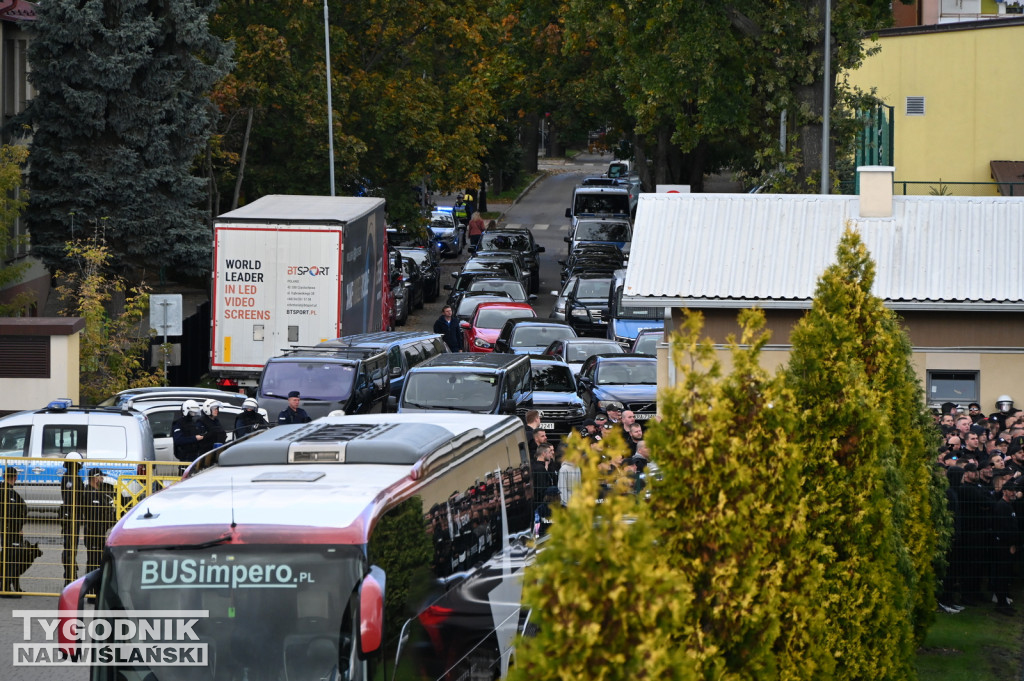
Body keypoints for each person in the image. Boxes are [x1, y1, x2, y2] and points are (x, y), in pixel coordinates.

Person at [1, 466, 30, 596]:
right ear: (16, 477)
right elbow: (12, 514)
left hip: (7, 530)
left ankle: (7, 586)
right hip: (11, 532)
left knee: (7, 558)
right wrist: (18, 529)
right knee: (10, 560)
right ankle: (5, 588)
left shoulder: (8, 492)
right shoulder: (9, 493)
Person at [61, 453, 88, 584]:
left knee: (71, 546)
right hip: (72, 517)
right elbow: (72, 499)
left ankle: (70, 573)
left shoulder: (70, 477)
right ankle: (69, 575)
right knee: (70, 546)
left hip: (72, 516)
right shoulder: (70, 479)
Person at [84, 468, 116, 574]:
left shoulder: (99, 493)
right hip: (93, 534)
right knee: (93, 562)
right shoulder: (89, 494)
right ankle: (91, 586)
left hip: (100, 533)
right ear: (95, 478)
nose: (102, 479)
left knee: (99, 561)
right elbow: (94, 516)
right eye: (101, 477)